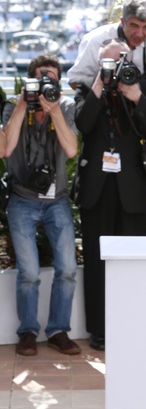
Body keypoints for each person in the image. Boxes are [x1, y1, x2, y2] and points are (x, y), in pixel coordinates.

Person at [74, 39, 146, 351]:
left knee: (131, 262)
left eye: (119, 61)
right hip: (97, 188)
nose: (114, 68)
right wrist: (100, 87)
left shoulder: (144, 89)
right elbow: (84, 125)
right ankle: (99, 330)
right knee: (97, 261)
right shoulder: (88, 88)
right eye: (107, 62)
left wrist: (136, 97)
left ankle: (131, 325)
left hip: (132, 188)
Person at [1, 55, 80, 356]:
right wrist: (24, 104)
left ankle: (59, 330)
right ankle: (28, 332)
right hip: (22, 198)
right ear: (30, 80)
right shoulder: (13, 105)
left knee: (68, 268)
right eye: (41, 77)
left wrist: (54, 111)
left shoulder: (66, 106)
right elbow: (6, 147)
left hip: (56, 199)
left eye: (53, 78)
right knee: (29, 272)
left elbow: (71, 149)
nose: (47, 82)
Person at [68, 0, 146, 95]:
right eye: (134, 26)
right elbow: (75, 80)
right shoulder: (95, 40)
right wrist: (104, 99)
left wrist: (145, 102)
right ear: (122, 22)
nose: (140, 34)